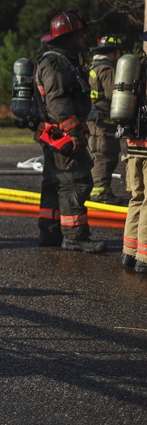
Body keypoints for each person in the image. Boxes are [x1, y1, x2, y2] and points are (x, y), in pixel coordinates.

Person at [32, 11, 106, 253]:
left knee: (54, 184)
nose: (83, 39)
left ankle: (50, 232)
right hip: (63, 135)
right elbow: (58, 102)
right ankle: (75, 236)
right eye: (79, 35)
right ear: (68, 37)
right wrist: (74, 134)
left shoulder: (64, 61)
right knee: (75, 182)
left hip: (55, 134)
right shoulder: (55, 63)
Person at [87, 33, 125, 204]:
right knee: (105, 156)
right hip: (103, 123)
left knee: (96, 155)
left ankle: (101, 191)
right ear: (113, 53)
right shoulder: (107, 70)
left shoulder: (92, 67)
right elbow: (114, 95)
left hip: (92, 121)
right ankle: (100, 194)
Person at [120, 30, 147, 273]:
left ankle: (129, 252)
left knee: (136, 198)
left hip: (133, 148)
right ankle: (144, 257)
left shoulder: (136, 69)